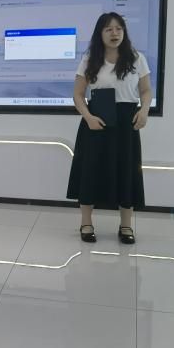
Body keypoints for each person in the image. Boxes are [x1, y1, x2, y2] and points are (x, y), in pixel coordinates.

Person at [66, 12, 151, 245]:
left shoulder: (136, 58)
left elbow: (146, 90)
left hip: (126, 124)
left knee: (127, 172)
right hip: (96, 123)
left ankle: (126, 225)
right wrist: (88, 117)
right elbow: (78, 94)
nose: (115, 33)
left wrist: (144, 111)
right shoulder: (89, 59)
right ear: (100, 33)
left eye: (119, 28)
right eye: (109, 29)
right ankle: (86, 223)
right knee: (90, 172)